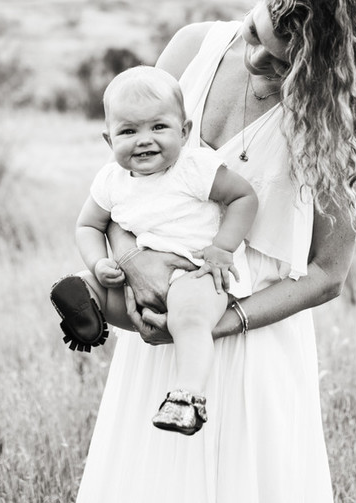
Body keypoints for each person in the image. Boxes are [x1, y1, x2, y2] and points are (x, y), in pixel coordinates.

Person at [75, 0, 356, 503]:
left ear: (323, 68)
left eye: (282, 62)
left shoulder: (338, 128)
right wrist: (132, 265)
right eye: (255, 31)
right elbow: (125, 188)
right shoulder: (189, 50)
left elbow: (327, 274)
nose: (255, 56)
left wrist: (213, 324)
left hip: (253, 343)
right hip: (153, 315)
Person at [51, 66, 258, 435]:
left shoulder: (194, 168)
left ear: (185, 131)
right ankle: (87, 311)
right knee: (86, 283)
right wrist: (99, 264)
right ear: (108, 139)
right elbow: (88, 225)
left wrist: (222, 249)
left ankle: (187, 397)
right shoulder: (111, 180)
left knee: (190, 317)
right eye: (128, 131)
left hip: (195, 274)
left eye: (158, 127)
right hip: (137, 284)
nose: (144, 140)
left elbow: (243, 197)